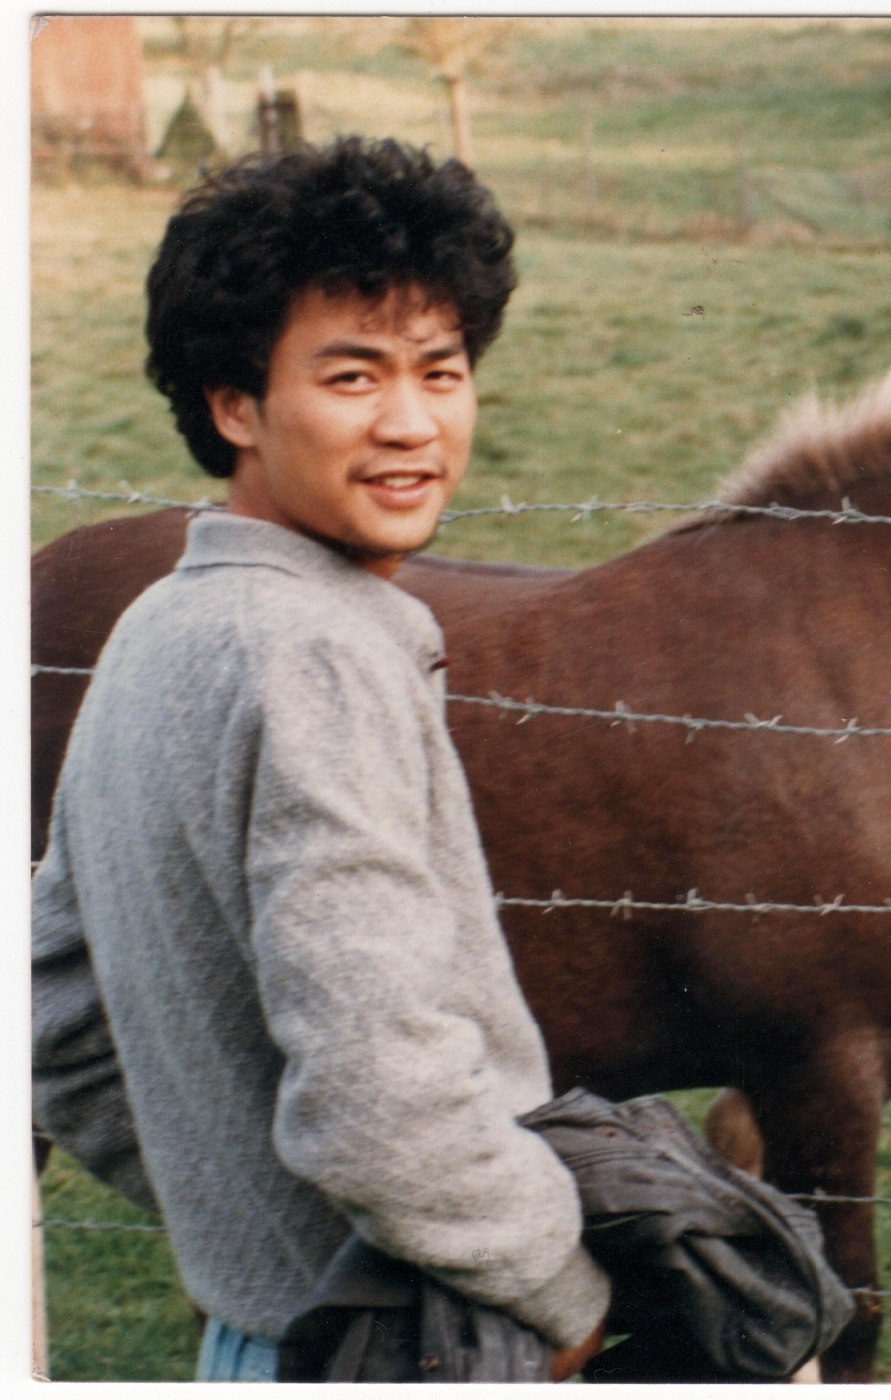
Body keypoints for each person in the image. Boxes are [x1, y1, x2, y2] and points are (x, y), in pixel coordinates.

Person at [32, 137, 609, 1383]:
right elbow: (380, 1101)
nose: (411, 422)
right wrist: (561, 1290)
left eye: (440, 369)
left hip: (259, 1339)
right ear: (234, 403)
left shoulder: (157, 623)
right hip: (409, 1345)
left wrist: (246, 1215)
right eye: (351, 375)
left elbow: (60, 1022)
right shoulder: (316, 653)